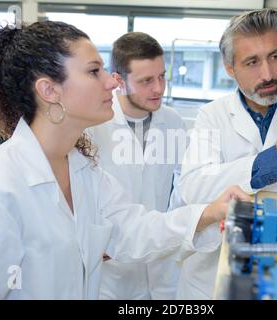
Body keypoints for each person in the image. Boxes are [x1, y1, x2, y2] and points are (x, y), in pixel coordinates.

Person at [0, 21, 250, 299]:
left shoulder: (83, 171)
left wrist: (211, 212)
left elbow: (134, 229)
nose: (112, 82)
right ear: (50, 90)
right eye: (94, 71)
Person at [177, 9, 277, 299]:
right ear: (229, 68)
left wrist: (250, 174)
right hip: (211, 275)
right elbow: (193, 187)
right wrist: (275, 160)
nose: (268, 73)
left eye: (275, 56)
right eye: (252, 62)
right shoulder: (212, 115)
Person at [86, 32, 186, 300]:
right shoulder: (94, 128)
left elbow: (183, 186)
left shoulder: (174, 122)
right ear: (118, 80)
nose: (159, 88)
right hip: (114, 269)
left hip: (162, 261)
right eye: (146, 81)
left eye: (162, 76)